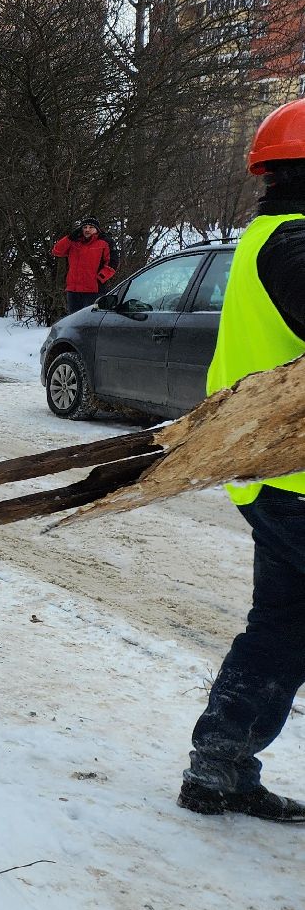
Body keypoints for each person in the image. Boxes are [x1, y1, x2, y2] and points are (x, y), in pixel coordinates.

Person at [178, 97, 305, 823]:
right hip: (293, 480)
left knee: (283, 631)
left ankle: (219, 769)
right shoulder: (290, 243)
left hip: (275, 475)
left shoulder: (270, 236)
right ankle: (220, 763)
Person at [52, 216, 116, 316]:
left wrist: (100, 278)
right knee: (74, 322)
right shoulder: (74, 242)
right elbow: (57, 251)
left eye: (91, 227)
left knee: (91, 321)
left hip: (93, 290)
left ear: (97, 229)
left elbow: (113, 263)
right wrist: (69, 237)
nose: (87, 229)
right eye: (84, 227)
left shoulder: (105, 242)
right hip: (73, 290)